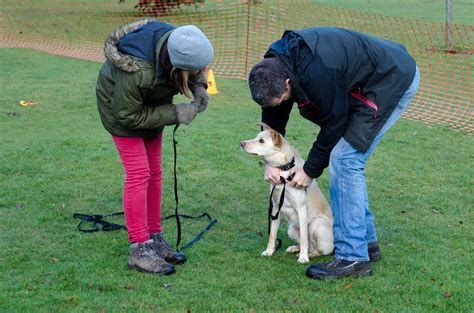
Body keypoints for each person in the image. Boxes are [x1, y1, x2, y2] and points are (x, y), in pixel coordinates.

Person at [248, 27, 420, 279]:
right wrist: (269, 162)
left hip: (391, 79)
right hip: (364, 81)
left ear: (287, 83)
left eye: (280, 99)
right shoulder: (272, 67)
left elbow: (335, 121)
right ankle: (366, 243)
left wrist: (309, 170)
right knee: (344, 158)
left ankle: (353, 257)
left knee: (345, 159)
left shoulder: (318, 72)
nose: (279, 105)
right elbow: (273, 116)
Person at [96, 19, 214, 275]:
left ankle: (154, 236)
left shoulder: (180, 41)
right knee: (139, 173)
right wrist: (176, 112)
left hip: (151, 103)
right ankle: (139, 248)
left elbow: (195, 65)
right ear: (178, 66)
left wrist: (200, 86)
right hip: (121, 112)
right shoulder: (137, 70)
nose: (200, 71)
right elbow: (127, 115)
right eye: (194, 71)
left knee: (154, 172)